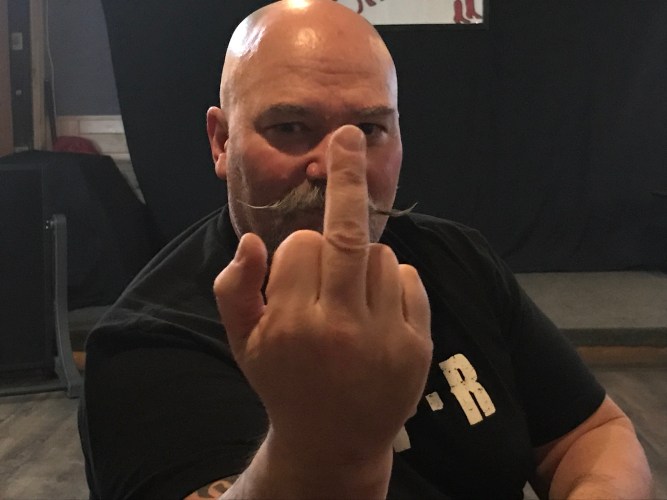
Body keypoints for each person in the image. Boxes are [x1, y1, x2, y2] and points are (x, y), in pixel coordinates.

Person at [79, 1, 652, 498]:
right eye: (290, 127)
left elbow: (591, 434)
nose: (335, 166)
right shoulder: (148, 346)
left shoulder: (456, 259)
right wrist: (320, 449)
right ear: (222, 142)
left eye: (370, 130)